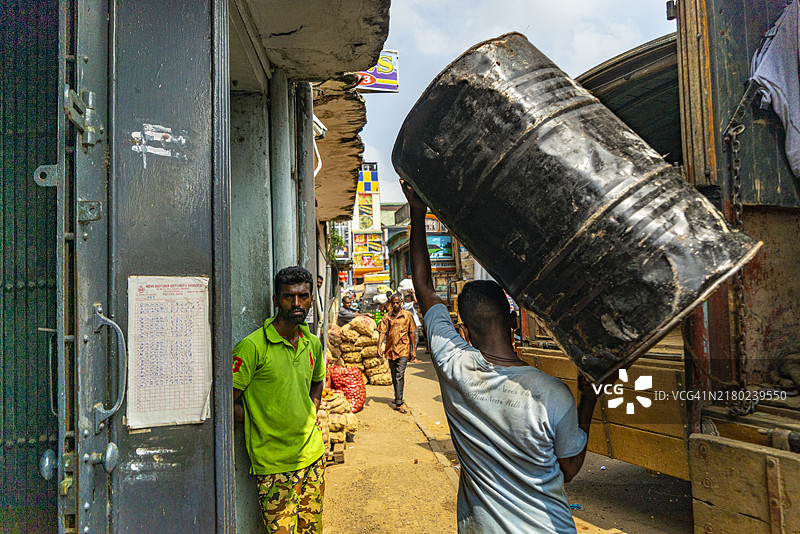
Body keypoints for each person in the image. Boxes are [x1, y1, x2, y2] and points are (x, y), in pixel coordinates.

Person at [402, 180, 608, 534]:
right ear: (514, 322)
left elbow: (424, 288)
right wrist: (588, 399)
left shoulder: (454, 365)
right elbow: (568, 470)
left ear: (463, 332)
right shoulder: (553, 394)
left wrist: (417, 212)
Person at [233, 266, 326, 534]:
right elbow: (226, 401)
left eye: (303, 296)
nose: (297, 303)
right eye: (289, 297)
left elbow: (318, 380)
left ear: (311, 298)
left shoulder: (313, 343)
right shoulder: (252, 347)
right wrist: (252, 417)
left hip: (312, 457)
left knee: (312, 531)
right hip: (274, 467)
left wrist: (312, 409)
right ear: (276, 300)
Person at [377, 292, 417, 413]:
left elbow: (411, 333)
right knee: (394, 375)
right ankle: (397, 396)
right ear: (390, 303)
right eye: (393, 303)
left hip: (404, 349)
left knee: (400, 374)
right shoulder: (387, 317)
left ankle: (399, 402)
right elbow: (382, 332)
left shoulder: (408, 315)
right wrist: (379, 345)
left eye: (397, 303)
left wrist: (413, 349)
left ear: (401, 303)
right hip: (390, 350)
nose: (395, 305)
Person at [402, 289, 422, 356]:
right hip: (413, 325)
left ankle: (411, 355)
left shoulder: (408, 305)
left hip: (415, 325)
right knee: (414, 341)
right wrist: (413, 293)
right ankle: (412, 356)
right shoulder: (407, 305)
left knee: (415, 341)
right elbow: (415, 301)